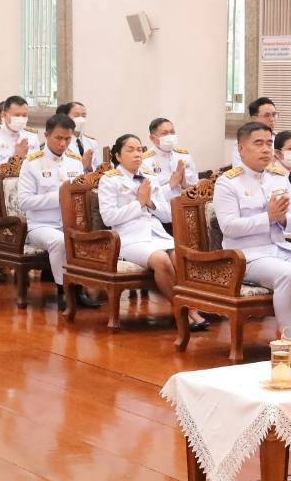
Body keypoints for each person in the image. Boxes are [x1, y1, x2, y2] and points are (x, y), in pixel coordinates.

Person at [99, 134, 206, 329]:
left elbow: (166, 216)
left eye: (139, 149)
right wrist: (139, 202)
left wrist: (150, 202)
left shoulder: (149, 176)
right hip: (128, 238)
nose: (137, 154)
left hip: (155, 234)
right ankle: (181, 311)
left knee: (179, 257)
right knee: (161, 260)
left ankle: (189, 308)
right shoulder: (109, 180)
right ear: (118, 155)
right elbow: (109, 218)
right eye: (130, 150)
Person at [213, 122, 291, 335]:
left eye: (269, 143)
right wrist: (268, 217)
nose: (266, 149)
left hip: (281, 249)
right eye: (258, 143)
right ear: (241, 149)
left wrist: (281, 220)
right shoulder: (228, 183)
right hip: (246, 256)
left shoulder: (278, 177)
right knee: (288, 275)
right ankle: (290, 338)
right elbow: (228, 228)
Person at [17, 114, 95, 311]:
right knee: (60, 242)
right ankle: (64, 291)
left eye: (67, 139)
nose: (63, 143)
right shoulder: (32, 162)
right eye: (58, 138)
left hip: (70, 223)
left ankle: (80, 288)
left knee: (91, 237)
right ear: (46, 135)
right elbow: (24, 201)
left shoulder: (75, 161)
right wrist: (59, 197)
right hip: (41, 225)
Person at [137, 117, 198, 226]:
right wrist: (171, 185)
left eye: (172, 132)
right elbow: (148, 198)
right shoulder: (145, 161)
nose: (170, 136)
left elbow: (197, 188)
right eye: (165, 134)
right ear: (152, 138)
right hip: (161, 217)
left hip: (188, 213)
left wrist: (185, 185)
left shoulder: (184, 155)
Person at [0, 95, 41, 171]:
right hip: (2, 181)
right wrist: (15, 158)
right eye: (17, 115)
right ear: (4, 115)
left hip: (28, 180)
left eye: (24, 115)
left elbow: (38, 164)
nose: (21, 119)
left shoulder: (32, 135)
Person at [57, 100, 99, 169]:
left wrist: (90, 167)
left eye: (84, 116)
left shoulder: (92, 142)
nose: (81, 119)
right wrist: (82, 165)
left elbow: (98, 168)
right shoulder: (59, 141)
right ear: (66, 117)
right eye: (76, 115)